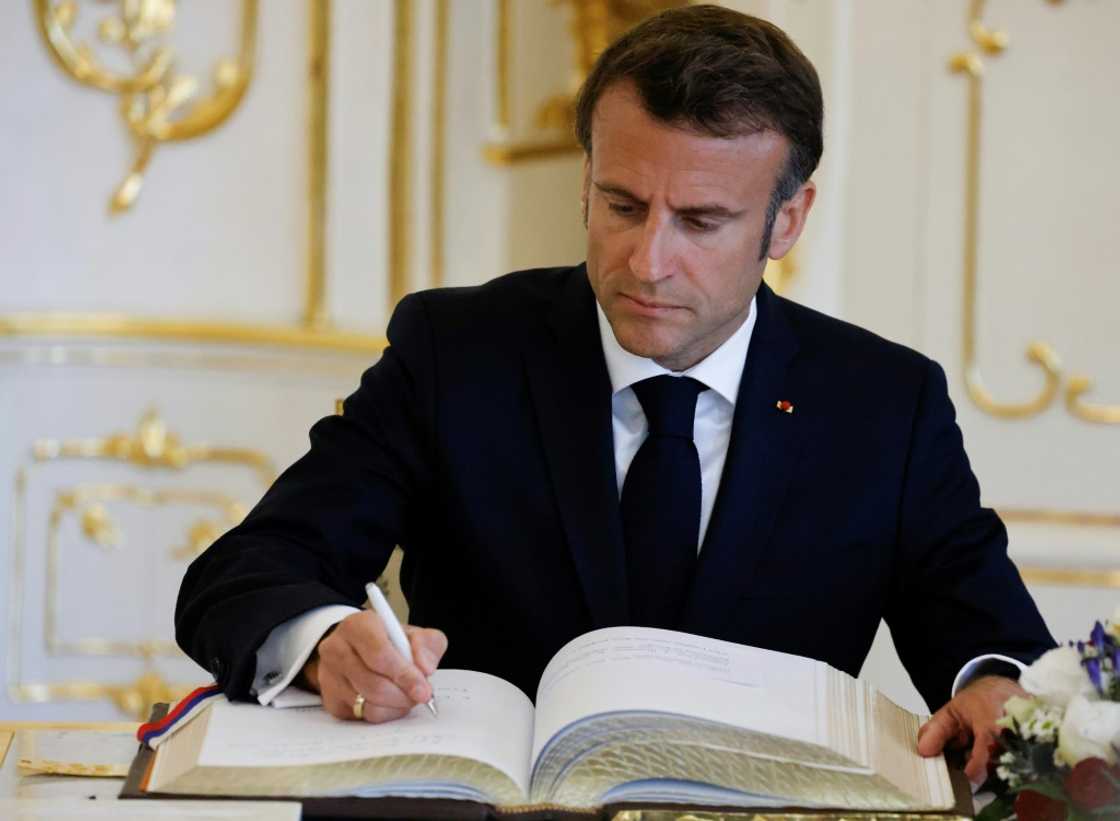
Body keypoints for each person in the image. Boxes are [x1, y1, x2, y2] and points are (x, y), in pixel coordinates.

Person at [176, 4, 1054, 784]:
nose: (646, 261)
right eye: (622, 204)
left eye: (701, 222)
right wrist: (327, 640)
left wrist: (991, 686)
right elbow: (244, 575)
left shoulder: (885, 404)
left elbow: (994, 643)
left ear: (787, 220)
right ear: (586, 177)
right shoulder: (457, 352)